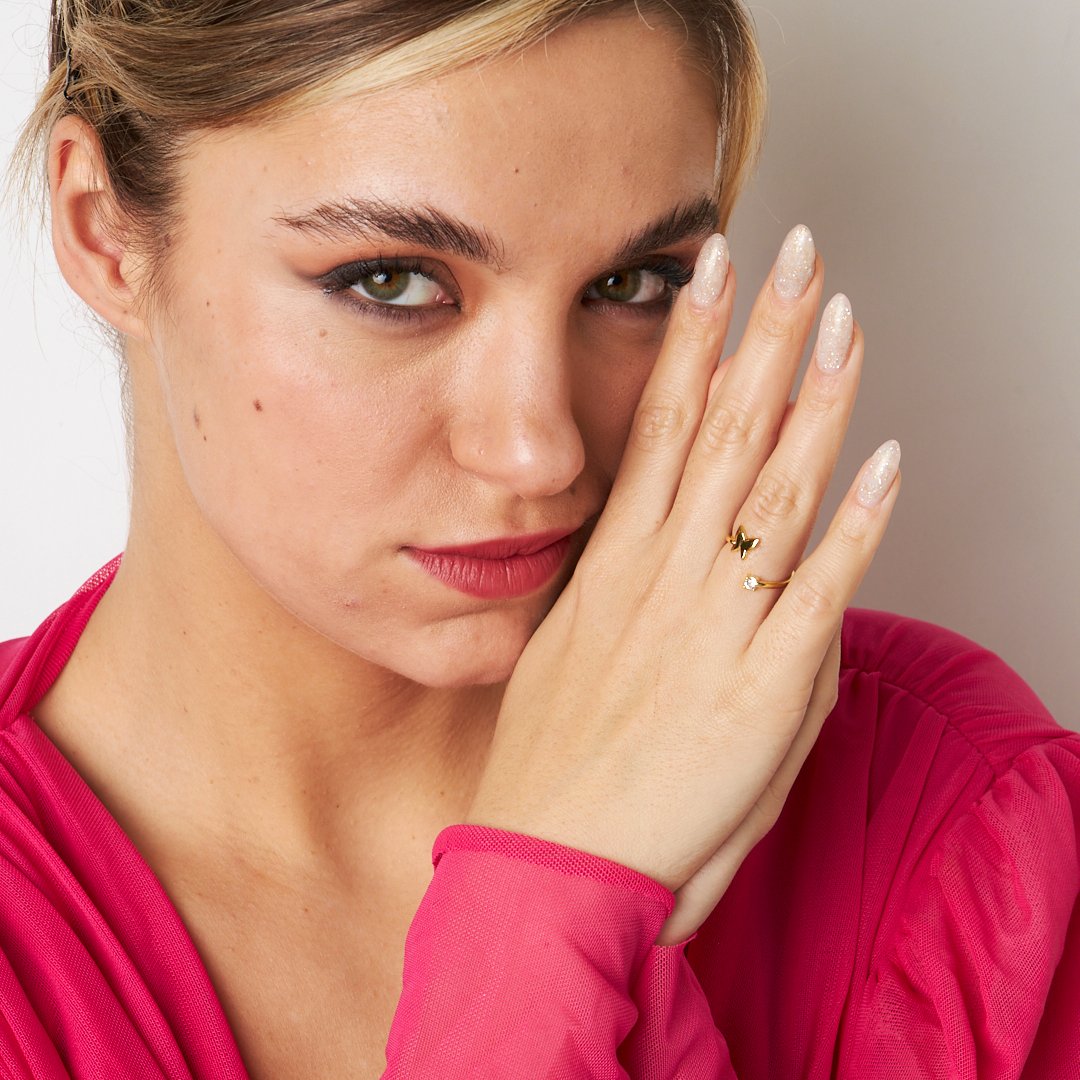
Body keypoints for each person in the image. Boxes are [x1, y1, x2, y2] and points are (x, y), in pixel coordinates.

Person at [1, 0, 1077, 1076]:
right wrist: (539, 924)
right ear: (103, 230)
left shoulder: (946, 828)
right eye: (391, 280)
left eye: (634, 283)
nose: (539, 449)